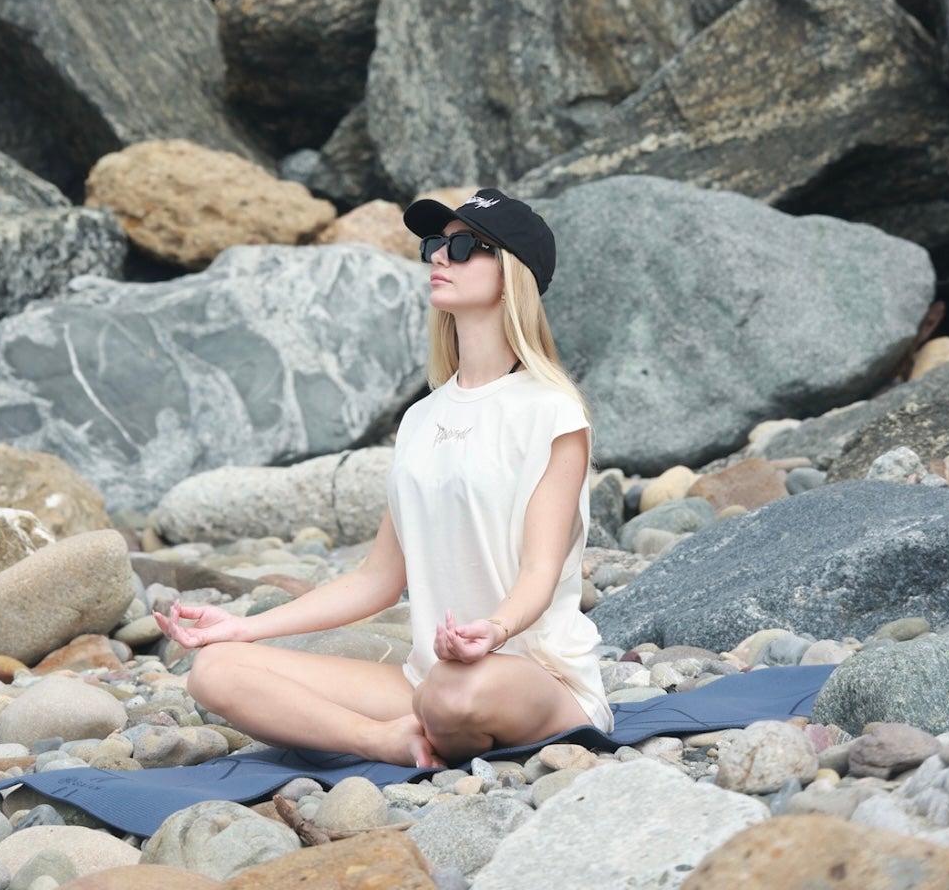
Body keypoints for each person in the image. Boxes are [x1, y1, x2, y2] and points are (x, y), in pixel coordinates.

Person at [153, 188, 613, 768]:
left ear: (512, 275)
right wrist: (244, 627)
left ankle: (428, 725)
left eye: (465, 245)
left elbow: (540, 574)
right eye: (435, 245)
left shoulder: (552, 412)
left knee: (455, 692)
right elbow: (377, 580)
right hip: (427, 679)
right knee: (216, 669)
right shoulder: (421, 420)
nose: (440, 258)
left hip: (531, 678)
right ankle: (384, 740)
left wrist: (492, 632)